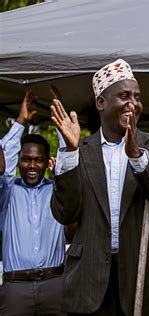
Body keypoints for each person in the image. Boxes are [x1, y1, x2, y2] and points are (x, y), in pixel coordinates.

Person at [50, 59, 149, 315]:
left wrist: (138, 159)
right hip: (90, 281)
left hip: (142, 277)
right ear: (101, 102)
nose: (133, 103)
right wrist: (70, 153)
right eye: (124, 95)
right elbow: (65, 213)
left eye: (137, 96)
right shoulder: (81, 150)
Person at [0, 89, 66, 315]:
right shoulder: (7, 193)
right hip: (15, 288)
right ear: (19, 161)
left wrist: (61, 124)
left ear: (46, 162)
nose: (32, 165)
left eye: (38, 160)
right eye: (26, 159)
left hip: (55, 284)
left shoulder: (57, 191)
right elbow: (4, 164)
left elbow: (70, 161)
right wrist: (20, 123)